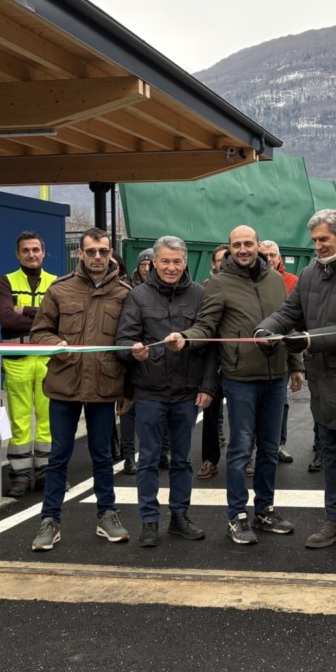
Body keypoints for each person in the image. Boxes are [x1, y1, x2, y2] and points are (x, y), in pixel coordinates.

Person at [257, 209, 336, 564]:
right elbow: (289, 311)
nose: (318, 246)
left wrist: (309, 340)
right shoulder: (312, 273)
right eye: (314, 240)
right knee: (330, 453)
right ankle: (334, 521)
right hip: (325, 380)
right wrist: (266, 328)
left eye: (324, 239)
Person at [165, 225, 301, 545]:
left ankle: (265, 510)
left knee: (268, 449)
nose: (243, 249)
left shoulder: (276, 281)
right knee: (240, 451)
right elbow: (205, 327)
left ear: (257, 246)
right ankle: (236, 516)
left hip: (276, 377)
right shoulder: (219, 283)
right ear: (229, 248)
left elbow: (288, 324)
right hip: (240, 380)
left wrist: (296, 366)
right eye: (237, 244)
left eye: (248, 243)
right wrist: (184, 339)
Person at [30, 228, 132, 551]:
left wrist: (127, 391)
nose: (98, 257)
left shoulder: (125, 294)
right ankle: (50, 521)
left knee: (102, 455)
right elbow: (39, 332)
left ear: (111, 253)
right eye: (91, 252)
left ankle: (107, 516)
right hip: (64, 385)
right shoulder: (60, 290)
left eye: (103, 251)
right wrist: (54, 343)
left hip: (104, 387)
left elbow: (128, 344)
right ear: (81, 254)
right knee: (59, 456)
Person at [115, 236, 216, 546]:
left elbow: (211, 345)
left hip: (187, 393)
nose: (171, 267)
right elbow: (121, 342)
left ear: (185, 263)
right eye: (165, 261)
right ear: (153, 263)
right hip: (149, 393)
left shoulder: (200, 295)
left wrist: (208, 386)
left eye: (177, 261)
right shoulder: (138, 297)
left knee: (183, 460)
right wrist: (133, 351)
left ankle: (179, 517)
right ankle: (148, 521)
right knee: (147, 460)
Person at [0, 231, 57, 498]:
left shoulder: (57, 282)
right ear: (17, 254)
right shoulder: (5, 282)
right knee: (19, 420)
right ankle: (20, 475)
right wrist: (42, 316)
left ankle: (46, 474)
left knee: (48, 420)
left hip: (47, 360)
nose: (31, 254)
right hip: (17, 360)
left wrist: (28, 310)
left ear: (43, 253)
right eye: (26, 250)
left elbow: (61, 320)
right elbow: (7, 320)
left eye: (35, 250)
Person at [196, 243, 232, 480]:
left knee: (242, 415)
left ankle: (245, 459)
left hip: (237, 360)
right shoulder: (202, 290)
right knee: (210, 413)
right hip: (211, 361)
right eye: (220, 260)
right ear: (213, 264)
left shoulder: (246, 287)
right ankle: (210, 460)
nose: (225, 263)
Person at [260, 239, 297, 466]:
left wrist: (297, 364)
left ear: (279, 257)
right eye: (264, 255)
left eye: (273, 255)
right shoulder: (251, 281)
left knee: (280, 402)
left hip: (282, 353)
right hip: (255, 352)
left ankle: (278, 444)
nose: (269, 259)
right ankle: (257, 447)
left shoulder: (292, 282)